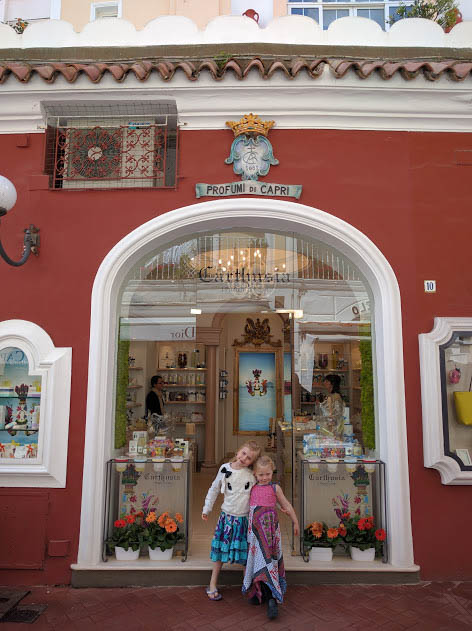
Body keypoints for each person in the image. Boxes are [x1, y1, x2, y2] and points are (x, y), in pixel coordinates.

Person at [202, 440, 261, 601]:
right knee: (220, 552)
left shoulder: (251, 475)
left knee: (246, 555)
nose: (244, 458)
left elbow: (260, 494)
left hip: (243, 520)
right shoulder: (224, 469)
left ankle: (248, 585)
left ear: (252, 462)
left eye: (249, 458)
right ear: (238, 451)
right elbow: (214, 489)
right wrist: (207, 508)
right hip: (227, 519)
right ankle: (212, 583)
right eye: (243, 453)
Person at [242, 454, 299, 620]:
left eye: (268, 474)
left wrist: (295, 521)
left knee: (269, 563)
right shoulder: (251, 488)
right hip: (255, 537)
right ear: (254, 474)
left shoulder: (275, 489)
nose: (265, 477)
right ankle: (260, 592)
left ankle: (271, 598)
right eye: (261, 474)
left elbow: (286, 504)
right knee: (256, 562)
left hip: (271, 536)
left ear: (272, 472)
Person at [320, 373, 344, 438]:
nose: (324, 382)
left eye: (327, 381)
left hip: (334, 430)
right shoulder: (330, 395)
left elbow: (337, 414)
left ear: (332, 384)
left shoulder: (336, 396)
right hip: (330, 428)